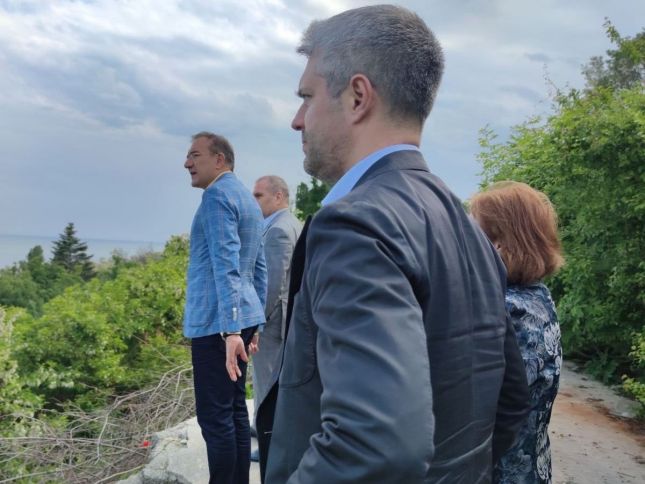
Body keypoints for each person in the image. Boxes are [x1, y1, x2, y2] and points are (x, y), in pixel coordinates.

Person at [259, 5, 530, 483]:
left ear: (357, 97)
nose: (298, 120)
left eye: (307, 97)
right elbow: (510, 401)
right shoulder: (465, 225)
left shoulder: (354, 224)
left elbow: (376, 443)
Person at [183, 131, 267, 484]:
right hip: (240, 319)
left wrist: (232, 329)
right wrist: (254, 323)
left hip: (218, 324)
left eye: (195, 155)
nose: (187, 163)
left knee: (215, 418)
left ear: (219, 160)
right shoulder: (247, 198)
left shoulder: (217, 196)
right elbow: (259, 266)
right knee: (233, 411)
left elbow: (226, 264)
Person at [470, 181, 564, 484]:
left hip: (499, 472)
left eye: (472, 234)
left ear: (498, 244)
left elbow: (482, 407)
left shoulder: (507, 309)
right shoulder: (538, 296)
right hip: (532, 468)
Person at [249, 175, 302, 462]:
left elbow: (271, 285)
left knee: (267, 383)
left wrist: (256, 324)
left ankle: (269, 442)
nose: (253, 201)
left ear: (278, 196)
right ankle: (261, 426)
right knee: (269, 381)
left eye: (259, 196)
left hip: (272, 322)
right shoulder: (291, 223)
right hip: (283, 319)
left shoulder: (279, 229)